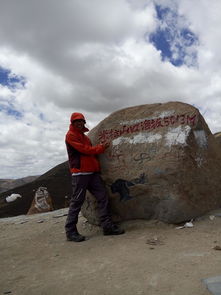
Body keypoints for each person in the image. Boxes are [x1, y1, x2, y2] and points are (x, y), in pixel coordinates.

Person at [65, 112, 125, 242]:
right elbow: (85, 150)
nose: (80, 123)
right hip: (80, 174)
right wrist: (101, 148)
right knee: (77, 202)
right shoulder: (71, 136)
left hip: (92, 173)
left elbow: (90, 152)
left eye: (82, 121)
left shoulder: (85, 137)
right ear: (72, 123)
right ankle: (70, 231)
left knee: (103, 197)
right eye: (77, 121)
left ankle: (107, 227)